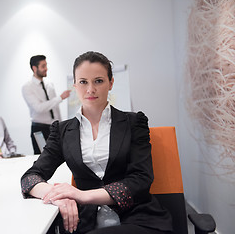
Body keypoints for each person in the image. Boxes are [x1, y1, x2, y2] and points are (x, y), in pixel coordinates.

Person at [21, 51, 173, 234]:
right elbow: (30, 178)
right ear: (75, 85)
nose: (90, 89)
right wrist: (57, 196)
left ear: (111, 83)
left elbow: (141, 180)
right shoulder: (62, 131)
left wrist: (82, 196)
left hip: (137, 217)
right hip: (85, 222)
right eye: (83, 82)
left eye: (98, 81)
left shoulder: (133, 123)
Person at [22, 55, 71, 154]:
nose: (46, 68)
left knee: (59, 156)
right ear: (34, 68)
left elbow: (55, 108)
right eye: (43, 66)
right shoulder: (27, 87)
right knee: (43, 159)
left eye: (46, 65)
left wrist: (60, 126)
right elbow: (39, 108)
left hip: (54, 128)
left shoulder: (49, 84)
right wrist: (60, 98)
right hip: (39, 129)